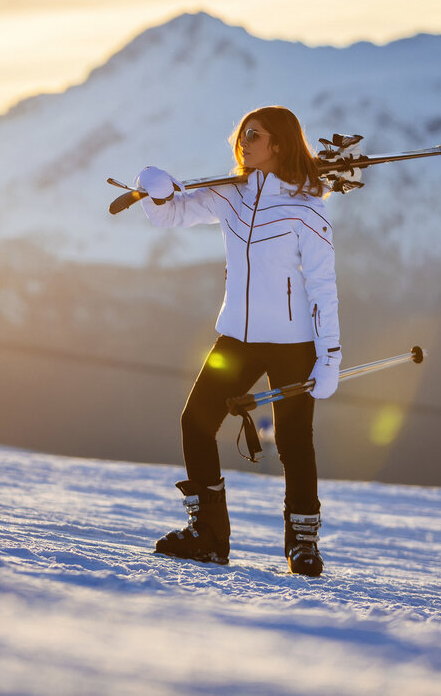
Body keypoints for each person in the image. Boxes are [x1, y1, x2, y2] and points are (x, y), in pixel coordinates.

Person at [134, 105, 340, 577]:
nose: (244, 141)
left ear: (280, 144)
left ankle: (303, 545)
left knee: (293, 441)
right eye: (243, 134)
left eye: (255, 134)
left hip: (292, 343)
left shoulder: (307, 208)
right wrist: (155, 189)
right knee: (196, 423)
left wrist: (330, 354)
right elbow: (171, 218)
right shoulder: (230, 195)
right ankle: (209, 535)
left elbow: (324, 285)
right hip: (238, 339)